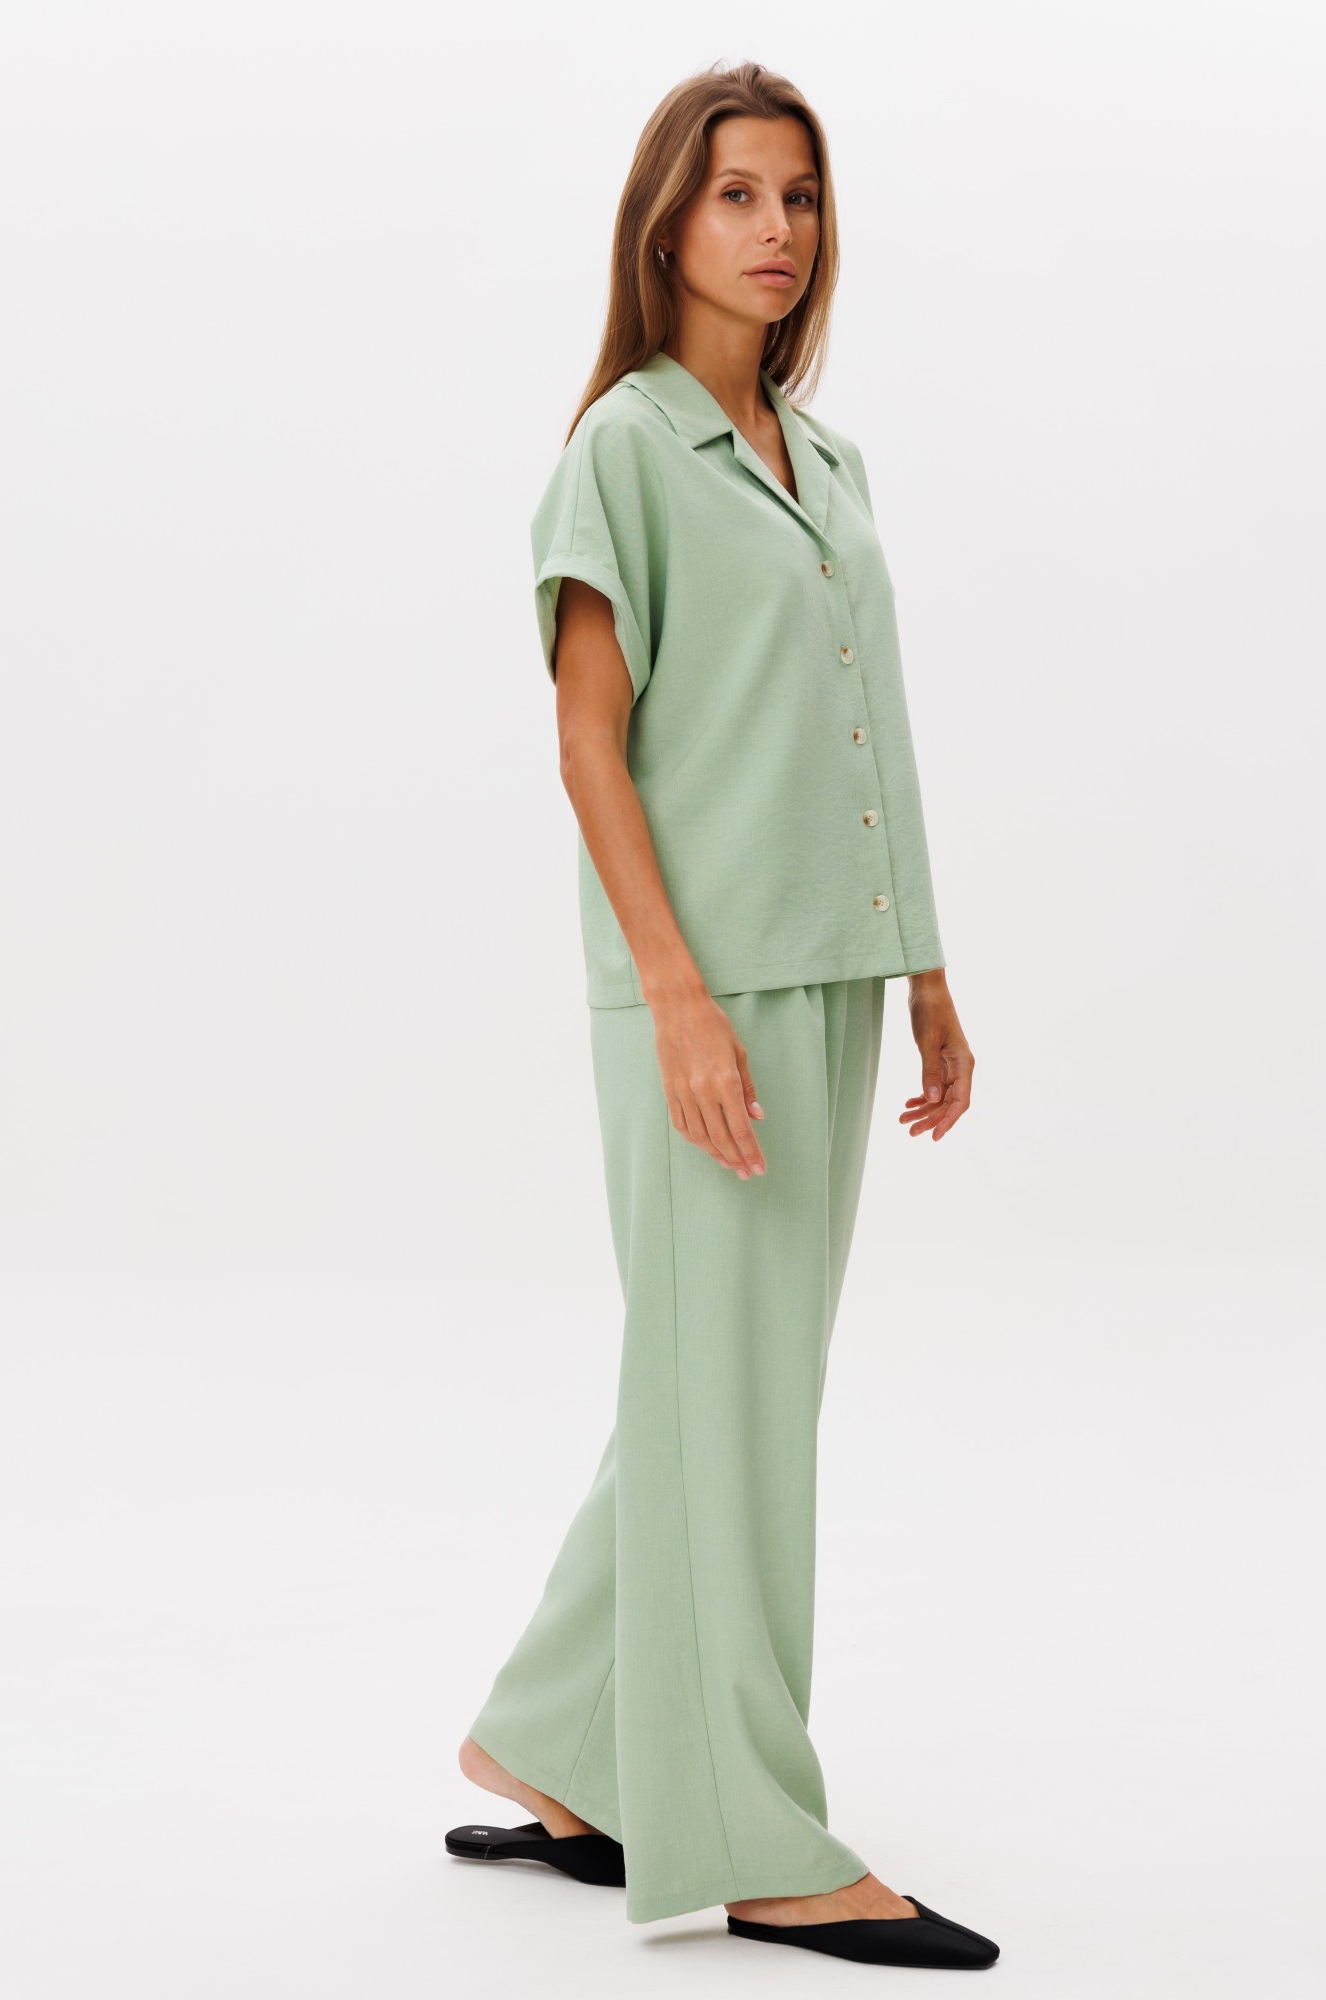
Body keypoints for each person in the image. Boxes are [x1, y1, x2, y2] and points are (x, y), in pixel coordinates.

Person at [447, 61, 998, 1972]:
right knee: (735, 1410)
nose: (776, 229)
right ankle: (756, 1838)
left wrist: (925, 968)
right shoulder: (624, 448)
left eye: (800, 197)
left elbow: (870, 726)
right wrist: (676, 999)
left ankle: (556, 1740)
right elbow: (587, 741)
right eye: (738, 194)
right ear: (665, 224)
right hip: (706, 989)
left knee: (717, 1388)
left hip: (829, 973)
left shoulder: (824, 464)